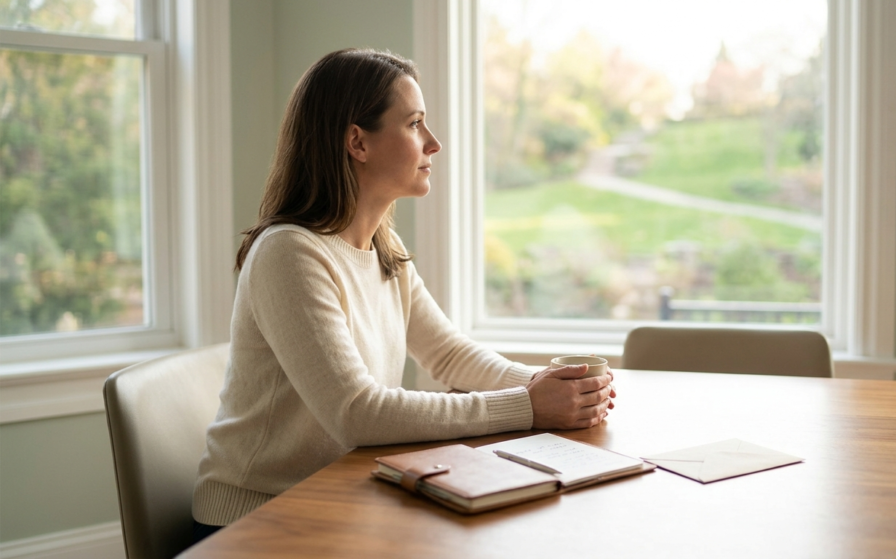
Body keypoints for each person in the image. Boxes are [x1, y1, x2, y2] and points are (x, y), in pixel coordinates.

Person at [191, 48, 615, 540]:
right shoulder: (288, 253)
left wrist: (554, 387)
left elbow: (450, 354)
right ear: (357, 142)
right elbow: (357, 414)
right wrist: (529, 404)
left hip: (342, 496)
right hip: (256, 517)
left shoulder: (381, 245)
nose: (433, 144)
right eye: (415, 124)